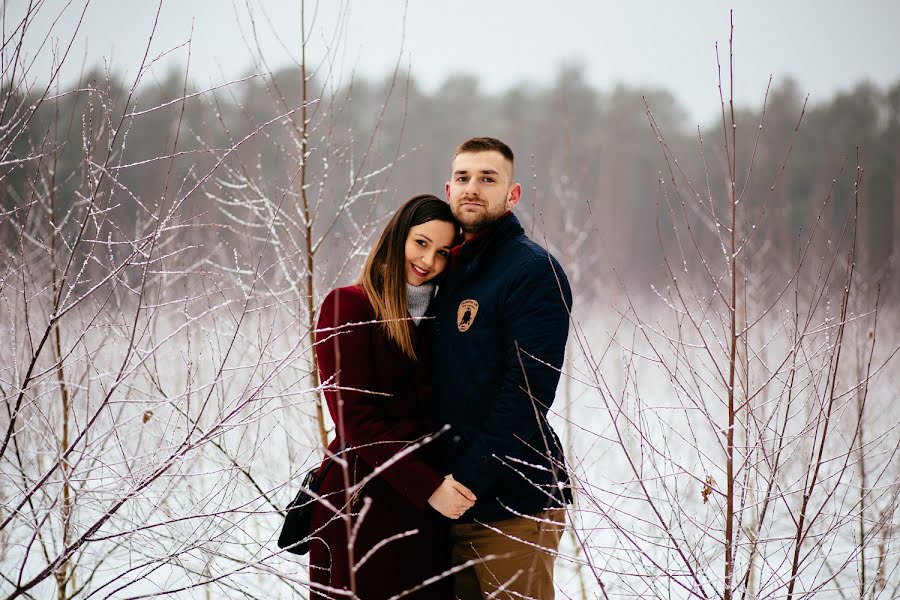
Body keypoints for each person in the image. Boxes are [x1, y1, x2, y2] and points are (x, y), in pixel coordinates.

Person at [309, 195, 477, 599]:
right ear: (397, 237)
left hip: (426, 512)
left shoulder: (444, 318)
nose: (428, 261)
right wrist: (428, 486)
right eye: (420, 243)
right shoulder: (347, 305)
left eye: (441, 252)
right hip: (360, 501)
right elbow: (354, 417)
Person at [431, 137, 574, 599]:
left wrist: (466, 481)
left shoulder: (532, 271)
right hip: (447, 503)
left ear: (512, 195)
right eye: (464, 178)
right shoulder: (442, 270)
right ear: (448, 190)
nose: (473, 188)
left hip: (514, 505)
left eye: (488, 179)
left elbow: (528, 394)